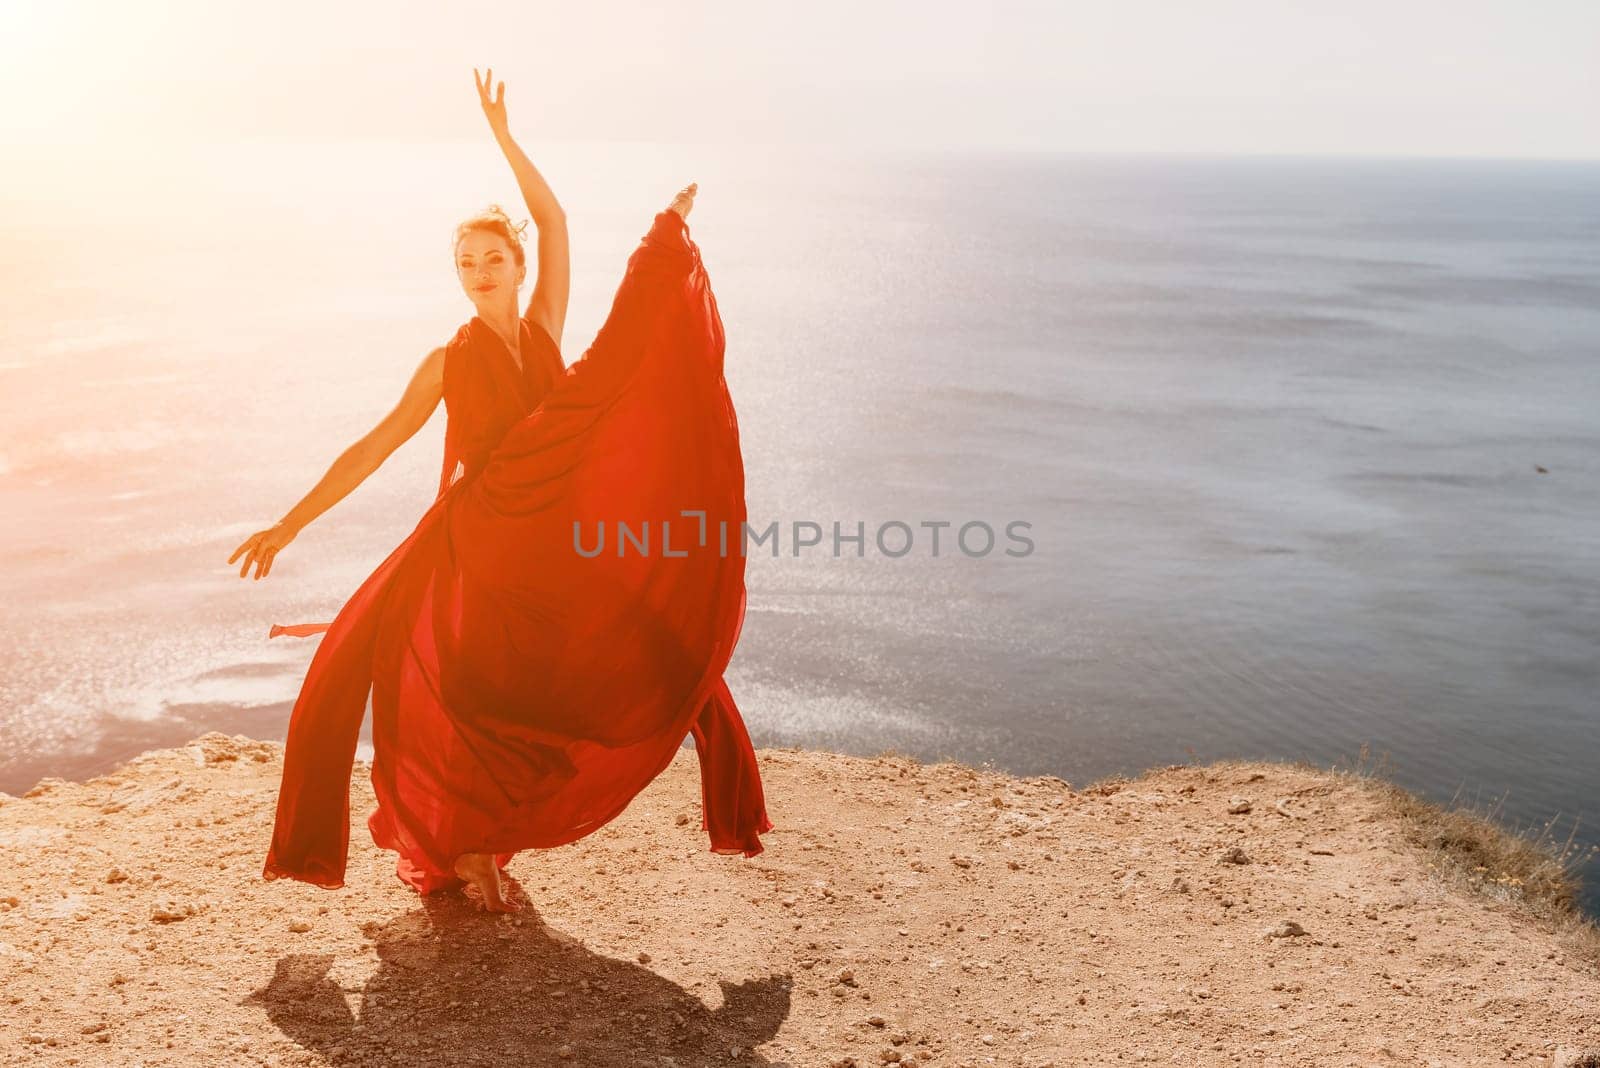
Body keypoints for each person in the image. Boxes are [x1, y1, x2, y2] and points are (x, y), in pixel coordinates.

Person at [227, 68, 772, 912]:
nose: (480, 272)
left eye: (493, 258)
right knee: (464, 700)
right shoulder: (446, 362)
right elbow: (372, 447)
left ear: (518, 266)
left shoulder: (546, 327)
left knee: (650, 653)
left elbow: (555, 220)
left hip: (549, 540)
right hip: (476, 547)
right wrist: (288, 524)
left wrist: (503, 135)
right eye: (466, 263)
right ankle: (470, 848)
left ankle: (694, 799)